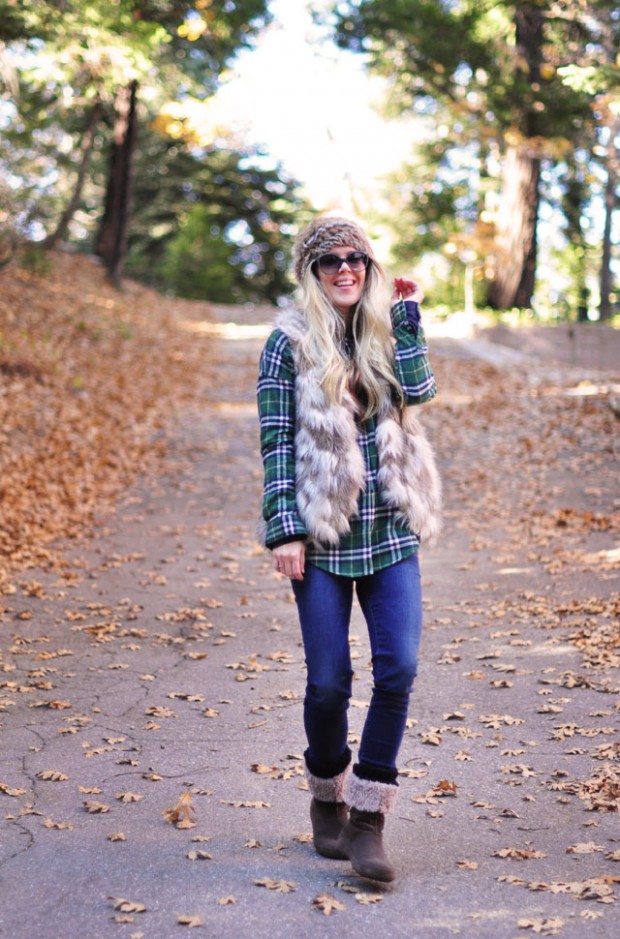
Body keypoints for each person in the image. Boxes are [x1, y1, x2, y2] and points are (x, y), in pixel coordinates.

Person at [257, 216, 441, 882]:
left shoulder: (385, 329)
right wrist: (283, 526)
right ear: (311, 270)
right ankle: (326, 795)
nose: (345, 269)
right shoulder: (287, 344)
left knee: (398, 668)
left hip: (390, 527)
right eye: (330, 259)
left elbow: (419, 391)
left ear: (369, 266)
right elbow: (276, 440)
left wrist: (408, 314)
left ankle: (368, 818)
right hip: (324, 531)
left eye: (356, 258)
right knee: (329, 680)